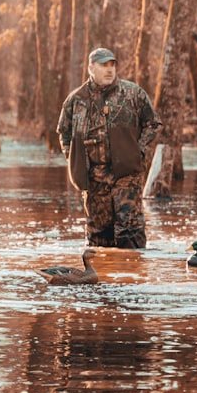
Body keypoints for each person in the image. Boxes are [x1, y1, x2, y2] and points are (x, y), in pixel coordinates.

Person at [57, 47, 162, 249]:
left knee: (129, 231)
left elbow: (154, 124)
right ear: (90, 68)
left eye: (112, 64)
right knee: (98, 236)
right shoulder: (75, 100)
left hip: (127, 175)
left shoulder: (133, 94)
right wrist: (74, 161)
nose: (109, 69)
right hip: (94, 177)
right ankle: (104, 277)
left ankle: (133, 275)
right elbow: (64, 132)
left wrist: (138, 151)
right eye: (103, 65)